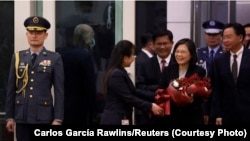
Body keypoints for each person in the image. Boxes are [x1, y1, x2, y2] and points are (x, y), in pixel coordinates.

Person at [5, 16, 64, 141]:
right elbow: (11, 89)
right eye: (31, 32)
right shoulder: (18, 57)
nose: (34, 36)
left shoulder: (54, 58)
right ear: (27, 34)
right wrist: (10, 117)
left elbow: (59, 91)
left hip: (43, 117)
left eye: (38, 32)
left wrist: (58, 119)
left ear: (45, 35)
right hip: (22, 115)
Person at [100, 40, 164, 125]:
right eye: (133, 55)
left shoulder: (120, 71)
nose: (134, 57)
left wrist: (156, 95)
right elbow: (128, 97)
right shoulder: (116, 74)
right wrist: (150, 106)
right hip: (116, 118)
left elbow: (134, 91)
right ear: (125, 58)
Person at [158, 38, 206, 126]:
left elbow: (201, 96)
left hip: (192, 116)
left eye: (183, 52)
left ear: (191, 54)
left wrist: (190, 99)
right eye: (177, 51)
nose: (179, 54)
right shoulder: (168, 70)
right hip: (172, 117)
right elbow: (161, 90)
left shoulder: (199, 71)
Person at [211, 22, 250, 125]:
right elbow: (217, 89)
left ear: (240, 37)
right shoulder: (218, 60)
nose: (225, 41)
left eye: (229, 37)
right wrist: (218, 114)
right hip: (227, 114)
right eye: (223, 37)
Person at [135, 29, 175, 125]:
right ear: (153, 44)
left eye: (165, 43)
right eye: (159, 44)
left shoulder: (179, 63)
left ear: (172, 43)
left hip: (175, 116)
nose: (162, 47)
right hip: (151, 115)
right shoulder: (145, 64)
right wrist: (162, 92)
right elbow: (139, 88)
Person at [61, 24, 97, 125]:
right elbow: (89, 84)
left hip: (66, 104)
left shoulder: (65, 54)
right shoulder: (85, 56)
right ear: (87, 38)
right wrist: (94, 109)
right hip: (82, 106)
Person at [197, 20, 225, 125]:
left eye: (215, 35)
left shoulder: (225, 53)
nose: (211, 37)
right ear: (205, 35)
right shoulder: (198, 52)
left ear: (221, 36)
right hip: (202, 97)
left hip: (219, 95)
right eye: (209, 34)